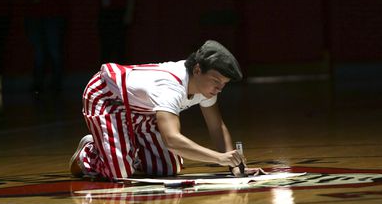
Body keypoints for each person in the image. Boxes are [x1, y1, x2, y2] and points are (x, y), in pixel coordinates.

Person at [70, 40, 249, 180]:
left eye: (224, 84)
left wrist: (233, 163)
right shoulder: (170, 87)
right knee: (118, 172)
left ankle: (124, 148)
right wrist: (219, 158)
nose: (219, 88)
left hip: (143, 108)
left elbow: (216, 127)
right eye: (216, 81)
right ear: (197, 69)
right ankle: (89, 151)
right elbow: (172, 140)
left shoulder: (206, 88)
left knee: (167, 168)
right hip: (109, 98)